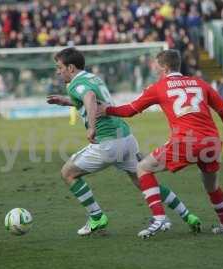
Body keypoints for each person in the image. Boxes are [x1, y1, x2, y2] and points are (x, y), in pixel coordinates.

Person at [47, 47, 201, 236]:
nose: (58, 71)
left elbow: (89, 97)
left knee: (67, 173)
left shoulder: (75, 84)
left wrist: (92, 127)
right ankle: (187, 215)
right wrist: (67, 101)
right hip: (126, 139)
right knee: (145, 181)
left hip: (107, 143)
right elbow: (91, 97)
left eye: (59, 67)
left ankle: (96, 217)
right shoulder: (92, 78)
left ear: (70, 68)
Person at [98, 49, 223, 238]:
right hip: (211, 142)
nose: (155, 68)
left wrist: (107, 110)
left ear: (165, 67)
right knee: (212, 186)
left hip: (186, 142)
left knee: (143, 168)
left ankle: (159, 218)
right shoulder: (199, 83)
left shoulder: (159, 87)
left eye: (157, 65)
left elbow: (130, 110)